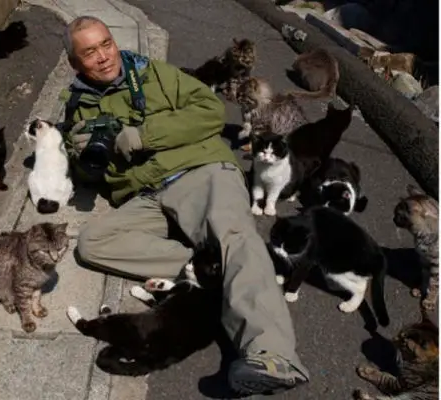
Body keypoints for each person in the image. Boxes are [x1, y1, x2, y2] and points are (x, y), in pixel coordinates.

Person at [59, 15, 309, 396]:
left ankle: (272, 354)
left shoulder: (154, 75)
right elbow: (96, 176)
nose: (104, 57)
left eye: (106, 44)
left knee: (234, 235)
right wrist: (80, 157)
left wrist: (143, 135)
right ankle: (214, 270)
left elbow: (210, 110)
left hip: (200, 170)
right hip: (146, 194)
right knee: (92, 243)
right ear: (75, 64)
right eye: (90, 52)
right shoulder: (79, 108)